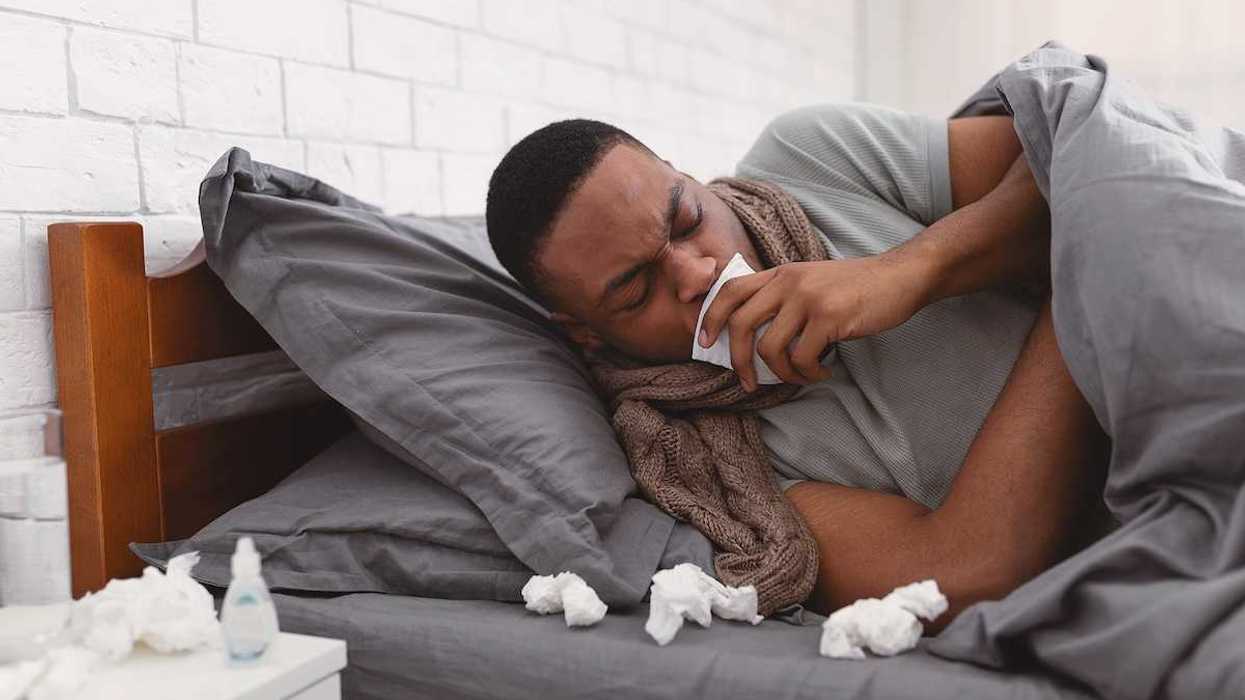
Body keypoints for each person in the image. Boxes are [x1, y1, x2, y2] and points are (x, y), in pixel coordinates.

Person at [484, 103, 1113, 631]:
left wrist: (910, 271)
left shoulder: (808, 157)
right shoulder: (717, 465)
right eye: (634, 291)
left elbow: (1077, 153)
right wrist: (1080, 300)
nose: (698, 272)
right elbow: (966, 575)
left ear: (688, 177)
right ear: (586, 335)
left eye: (685, 220)